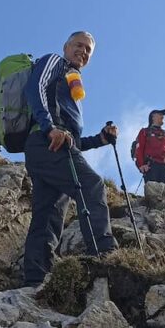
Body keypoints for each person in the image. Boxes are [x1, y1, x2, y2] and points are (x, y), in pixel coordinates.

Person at [22, 31, 119, 286]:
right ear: (66, 46)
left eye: (88, 50)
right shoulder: (55, 62)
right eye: (79, 45)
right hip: (47, 142)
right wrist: (48, 127)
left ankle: (35, 282)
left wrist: (100, 139)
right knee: (92, 185)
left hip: (49, 147)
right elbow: (35, 87)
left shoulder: (71, 87)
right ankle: (106, 255)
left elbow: (73, 141)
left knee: (47, 218)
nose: (83, 51)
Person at [134, 109, 165, 184]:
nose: (162, 116)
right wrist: (141, 165)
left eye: (162, 114)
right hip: (150, 166)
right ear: (153, 117)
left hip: (164, 167)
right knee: (153, 192)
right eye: (160, 114)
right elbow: (139, 150)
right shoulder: (144, 132)